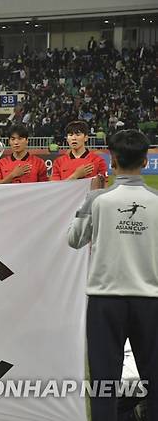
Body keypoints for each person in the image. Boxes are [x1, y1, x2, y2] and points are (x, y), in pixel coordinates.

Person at [68, 130, 157, 421]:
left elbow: (74, 239)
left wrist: (86, 202)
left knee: (104, 384)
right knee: (154, 381)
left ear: (112, 159)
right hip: (149, 300)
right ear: (145, 161)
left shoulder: (97, 199)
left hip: (105, 301)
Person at [51, 120, 108, 186]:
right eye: (70, 135)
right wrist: (76, 175)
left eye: (78, 135)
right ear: (67, 138)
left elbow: (104, 187)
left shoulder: (98, 161)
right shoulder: (59, 162)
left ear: (86, 138)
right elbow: (55, 189)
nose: (73, 138)